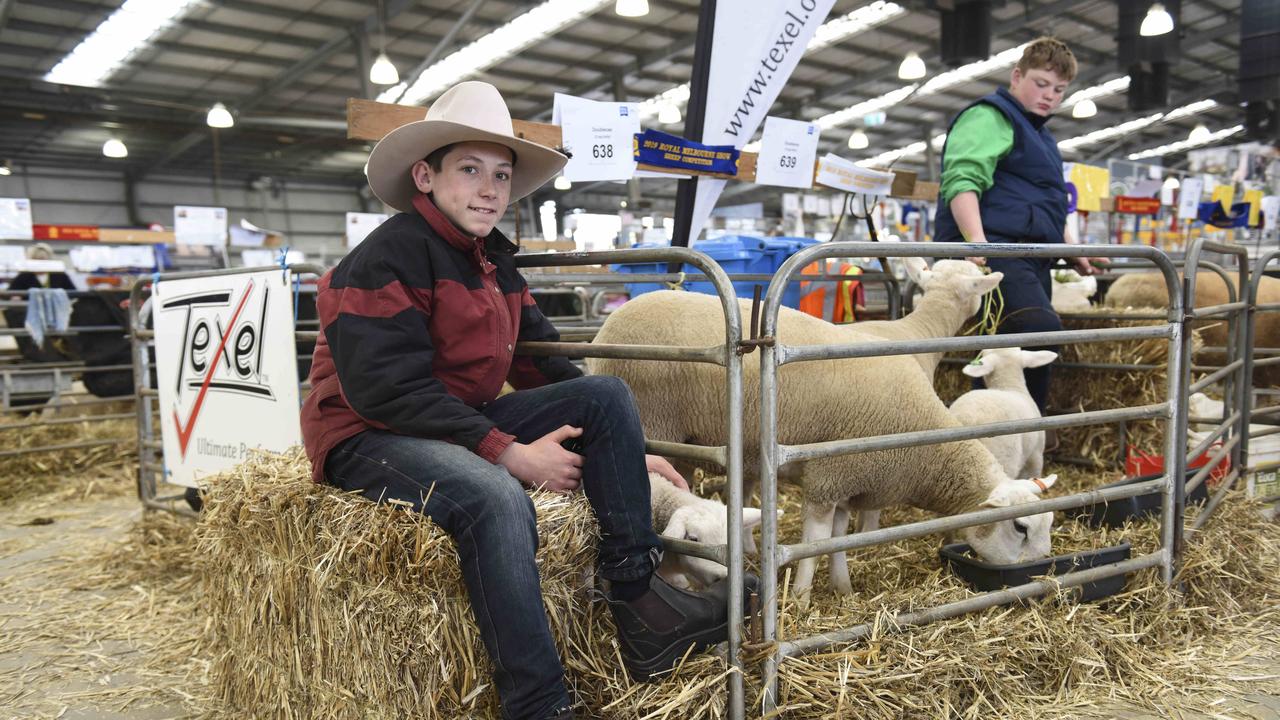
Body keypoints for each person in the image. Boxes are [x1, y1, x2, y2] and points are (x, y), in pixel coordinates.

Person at [300, 81, 753, 720]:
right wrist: (506, 452)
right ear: (425, 177)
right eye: (470, 170)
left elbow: (541, 364)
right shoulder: (384, 258)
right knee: (496, 498)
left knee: (603, 394)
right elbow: (386, 390)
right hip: (365, 431)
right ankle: (537, 704)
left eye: (502, 174)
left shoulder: (494, 266)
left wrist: (624, 452)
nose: (490, 188)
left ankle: (640, 601)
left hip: (448, 417)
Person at [933, 37, 1097, 416]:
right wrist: (977, 245)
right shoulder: (990, 116)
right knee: (1035, 329)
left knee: (1007, 343)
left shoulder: (1041, 134)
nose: (1050, 96)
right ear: (1017, 75)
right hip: (997, 252)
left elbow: (1049, 201)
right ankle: (1015, 429)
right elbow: (962, 180)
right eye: (1041, 84)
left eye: (1059, 90)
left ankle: (1013, 434)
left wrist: (1072, 251)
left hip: (1033, 256)